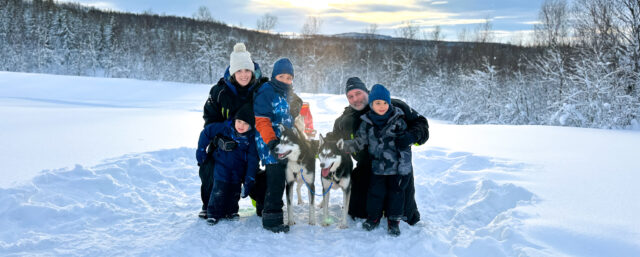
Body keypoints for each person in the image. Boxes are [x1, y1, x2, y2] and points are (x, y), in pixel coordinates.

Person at [326, 77, 429, 226]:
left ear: (366, 91)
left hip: (397, 167)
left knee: (406, 214)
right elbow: (332, 141)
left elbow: (421, 123)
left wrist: (412, 136)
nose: (355, 99)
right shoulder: (345, 120)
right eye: (350, 96)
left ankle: (394, 217)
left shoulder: (393, 106)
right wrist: (310, 149)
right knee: (358, 211)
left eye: (358, 93)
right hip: (368, 167)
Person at [197, 42, 267, 219]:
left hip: (249, 149)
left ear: (252, 71)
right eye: (239, 71)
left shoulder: (261, 90)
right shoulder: (219, 92)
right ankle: (209, 204)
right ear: (233, 72)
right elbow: (210, 121)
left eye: (247, 70)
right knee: (210, 169)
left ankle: (262, 201)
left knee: (258, 176)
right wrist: (219, 140)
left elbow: (285, 98)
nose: (243, 75)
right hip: (224, 150)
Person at [337, 84, 413, 236]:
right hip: (377, 167)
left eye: (385, 103)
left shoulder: (398, 121)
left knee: (396, 195)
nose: (382, 106)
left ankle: (393, 221)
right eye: (378, 103)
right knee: (375, 194)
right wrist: (345, 145)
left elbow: (405, 147)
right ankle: (373, 218)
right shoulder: (367, 123)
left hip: (396, 168)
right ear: (371, 104)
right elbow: (360, 141)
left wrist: (405, 168)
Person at [253, 58, 297, 233]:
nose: (285, 80)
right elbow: (262, 120)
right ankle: (272, 218)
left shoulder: (287, 93)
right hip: (269, 141)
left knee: (280, 176)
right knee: (277, 177)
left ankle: (263, 206)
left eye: (289, 77)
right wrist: (271, 142)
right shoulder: (267, 91)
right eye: (281, 76)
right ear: (274, 76)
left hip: (284, 142)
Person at [196, 104, 258, 225]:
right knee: (219, 188)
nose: (241, 126)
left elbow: (252, 160)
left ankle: (232, 211)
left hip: (238, 169)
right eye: (239, 121)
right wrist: (201, 150)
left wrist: (249, 178)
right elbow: (206, 132)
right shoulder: (225, 128)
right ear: (234, 120)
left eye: (245, 123)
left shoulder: (250, 139)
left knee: (235, 191)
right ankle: (213, 213)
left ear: (251, 126)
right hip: (222, 165)